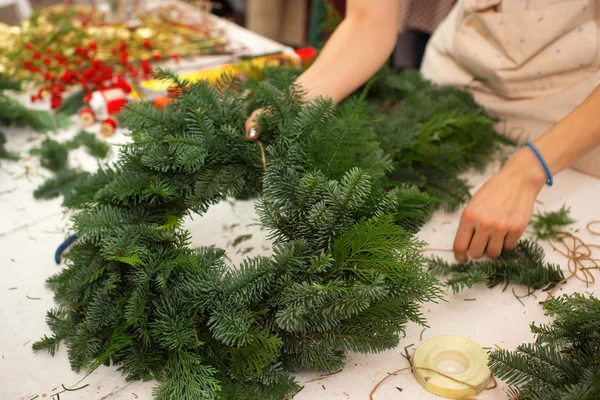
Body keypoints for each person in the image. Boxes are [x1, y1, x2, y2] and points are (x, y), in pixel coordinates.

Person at [244, 0, 600, 263]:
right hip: (456, 82)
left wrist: (529, 169)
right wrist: (296, 101)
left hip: (571, 110)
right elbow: (368, 20)